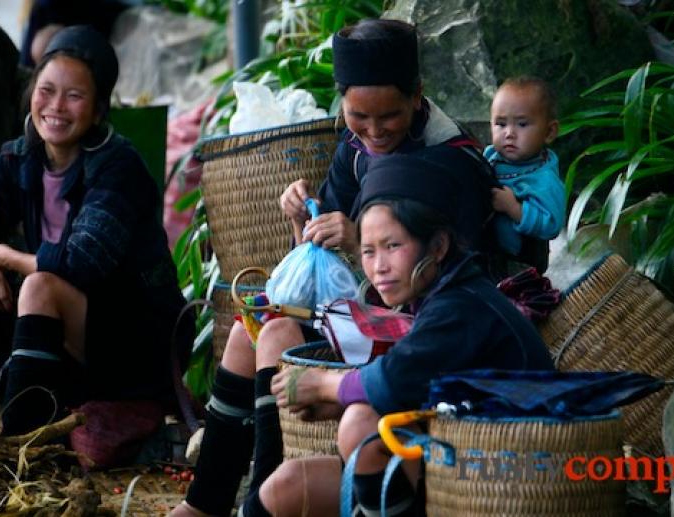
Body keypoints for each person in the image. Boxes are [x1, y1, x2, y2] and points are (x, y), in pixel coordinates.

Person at [170, 18, 496, 517]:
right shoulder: (356, 151)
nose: (373, 131)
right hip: (370, 309)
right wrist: (306, 219)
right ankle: (206, 503)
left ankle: (262, 498)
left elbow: (443, 269)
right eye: (358, 116)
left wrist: (360, 241)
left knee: (277, 336)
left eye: (388, 116)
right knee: (246, 333)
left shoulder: (452, 162)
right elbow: (328, 248)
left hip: (429, 328)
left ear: (418, 97)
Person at [231, 153, 554, 516]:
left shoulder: (461, 307)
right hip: (454, 461)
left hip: (504, 475)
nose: (379, 266)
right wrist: (336, 400)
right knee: (287, 484)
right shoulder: (440, 296)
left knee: (363, 426)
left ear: (438, 247)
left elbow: (395, 379)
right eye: (368, 251)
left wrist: (323, 385)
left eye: (393, 246)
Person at [0, 26, 191, 436]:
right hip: (57, 329)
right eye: (46, 90)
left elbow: (82, 264)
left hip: (135, 344)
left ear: (98, 110)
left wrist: (6, 259)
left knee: (39, 286)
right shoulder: (19, 157)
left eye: (74, 96)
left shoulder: (118, 167)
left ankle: (23, 442)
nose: (56, 107)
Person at [486, 76, 566, 274]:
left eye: (522, 124)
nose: (509, 133)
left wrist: (513, 208)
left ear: (549, 132)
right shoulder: (490, 156)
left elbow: (551, 225)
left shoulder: (544, 179)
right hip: (488, 251)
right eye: (501, 124)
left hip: (522, 262)